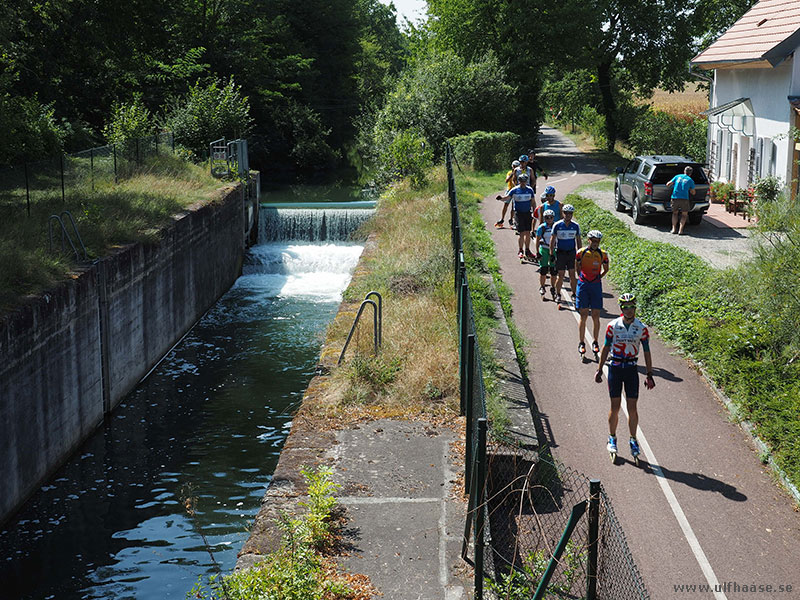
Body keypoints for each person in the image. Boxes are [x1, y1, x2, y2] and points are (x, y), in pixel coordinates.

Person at [594, 293, 656, 460]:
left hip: (631, 369)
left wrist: (649, 374)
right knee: (615, 407)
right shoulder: (612, 326)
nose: (629, 310)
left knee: (632, 408)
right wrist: (599, 369)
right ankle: (612, 437)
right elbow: (606, 348)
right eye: (625, 307)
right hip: (615, 367)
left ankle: (633, 440)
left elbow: (647, 352)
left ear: (635, 307)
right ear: (621, 308)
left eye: (631, 307)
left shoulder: (641, 328)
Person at [575, 230, 609, 357]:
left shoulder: (603, 254)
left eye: (597, 241)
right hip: (583, 285)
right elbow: (577, 267)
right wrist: (582, 278)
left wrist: (598, 277)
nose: (595, 243)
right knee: (583, 315)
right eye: (593, 241)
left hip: (595, 285)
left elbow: (606, 269)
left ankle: (595, 341)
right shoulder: (581, 252)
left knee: (596, 315)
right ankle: (581, 342)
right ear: (589, 240)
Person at [549, 204, 581, 310]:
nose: (568, 215)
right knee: (561, 275)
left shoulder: (575, 226)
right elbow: (552, 240)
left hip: (571, 253)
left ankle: (574, 295)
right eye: (566, 213)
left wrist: (580, 253)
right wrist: (551, 253)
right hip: (561, 253)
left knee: (572, 275)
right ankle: (558, 294)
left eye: (570, 213)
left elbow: (578, 240)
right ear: (562, 213)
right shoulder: (557, 225)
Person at [496, 173, 536, 259]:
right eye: (521, 181)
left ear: (526, 181)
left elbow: (533, 201)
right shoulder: (514, 190)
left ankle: (527, 250)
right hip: (518, 214)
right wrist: (501, 198)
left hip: (527, 213)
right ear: (519, 181)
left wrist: (534, 211)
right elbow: (507, 198)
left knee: (528, 233)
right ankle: (520, 250)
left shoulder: (530, 190)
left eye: (524, 181)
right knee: (521, 233)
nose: (523, 183)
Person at [534, 209, 558, 300]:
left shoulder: (556, 226)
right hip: (544, 249)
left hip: (554, 250)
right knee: (543, 270)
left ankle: (553, 287)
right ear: (544, 218)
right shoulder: (542, 227)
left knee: (553, 270)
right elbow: (537, 240)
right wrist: (537, 252)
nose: (549, 219)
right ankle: (542, 286)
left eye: (551, 217)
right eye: (547, 218)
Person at [666, 165, 696, 235]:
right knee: (684, 215)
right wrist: (689, 189)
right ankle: (681, 230)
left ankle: (673, 229)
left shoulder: (677, 176)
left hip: (675, 197)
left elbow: (668, 184)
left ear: (684, 171)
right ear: (691, 173)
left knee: (675, 213)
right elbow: (693, 192)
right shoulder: (690, 180)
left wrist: (673, 186)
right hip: (684, 199)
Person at [496, 160, 521, 228]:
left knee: (513, 206)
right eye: (514, 166)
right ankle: (502, 219)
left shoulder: (520, 173)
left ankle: (511, 219)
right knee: (506, 204)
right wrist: (512, 174)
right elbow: (506, 180)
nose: (515, 168)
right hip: (509, 190)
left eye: (517, 166)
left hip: (516, 191)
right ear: (512, 166)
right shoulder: (509, 173)